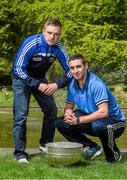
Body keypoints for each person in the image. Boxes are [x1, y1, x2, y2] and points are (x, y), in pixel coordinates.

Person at [12, 17, 72, 163]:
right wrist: (37, 85)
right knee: (21, 115)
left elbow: (71, 70)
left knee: (51, 111)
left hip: (40, 79)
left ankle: (45, 145)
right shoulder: (32, 43)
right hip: (21, 80)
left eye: (56, 34)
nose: (52, 37)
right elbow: (18, 69)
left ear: (60, 34)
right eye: (49, 32)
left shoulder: (59, 48)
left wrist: (57, 84)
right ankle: (20, 153)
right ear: (43, 31)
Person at [56, 53, 126, 163]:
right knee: (61, 122)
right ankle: (91, 147)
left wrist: (78, 120)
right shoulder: (72, 84)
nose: (75, 71)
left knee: (99, 125)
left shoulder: (96, 84)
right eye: (72, 68)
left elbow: (104, 113)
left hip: (115, 122)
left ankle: (114, 155)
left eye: (78, 66)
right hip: (94, 120)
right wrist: (68, 113)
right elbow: (69, 107)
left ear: (86, 66)